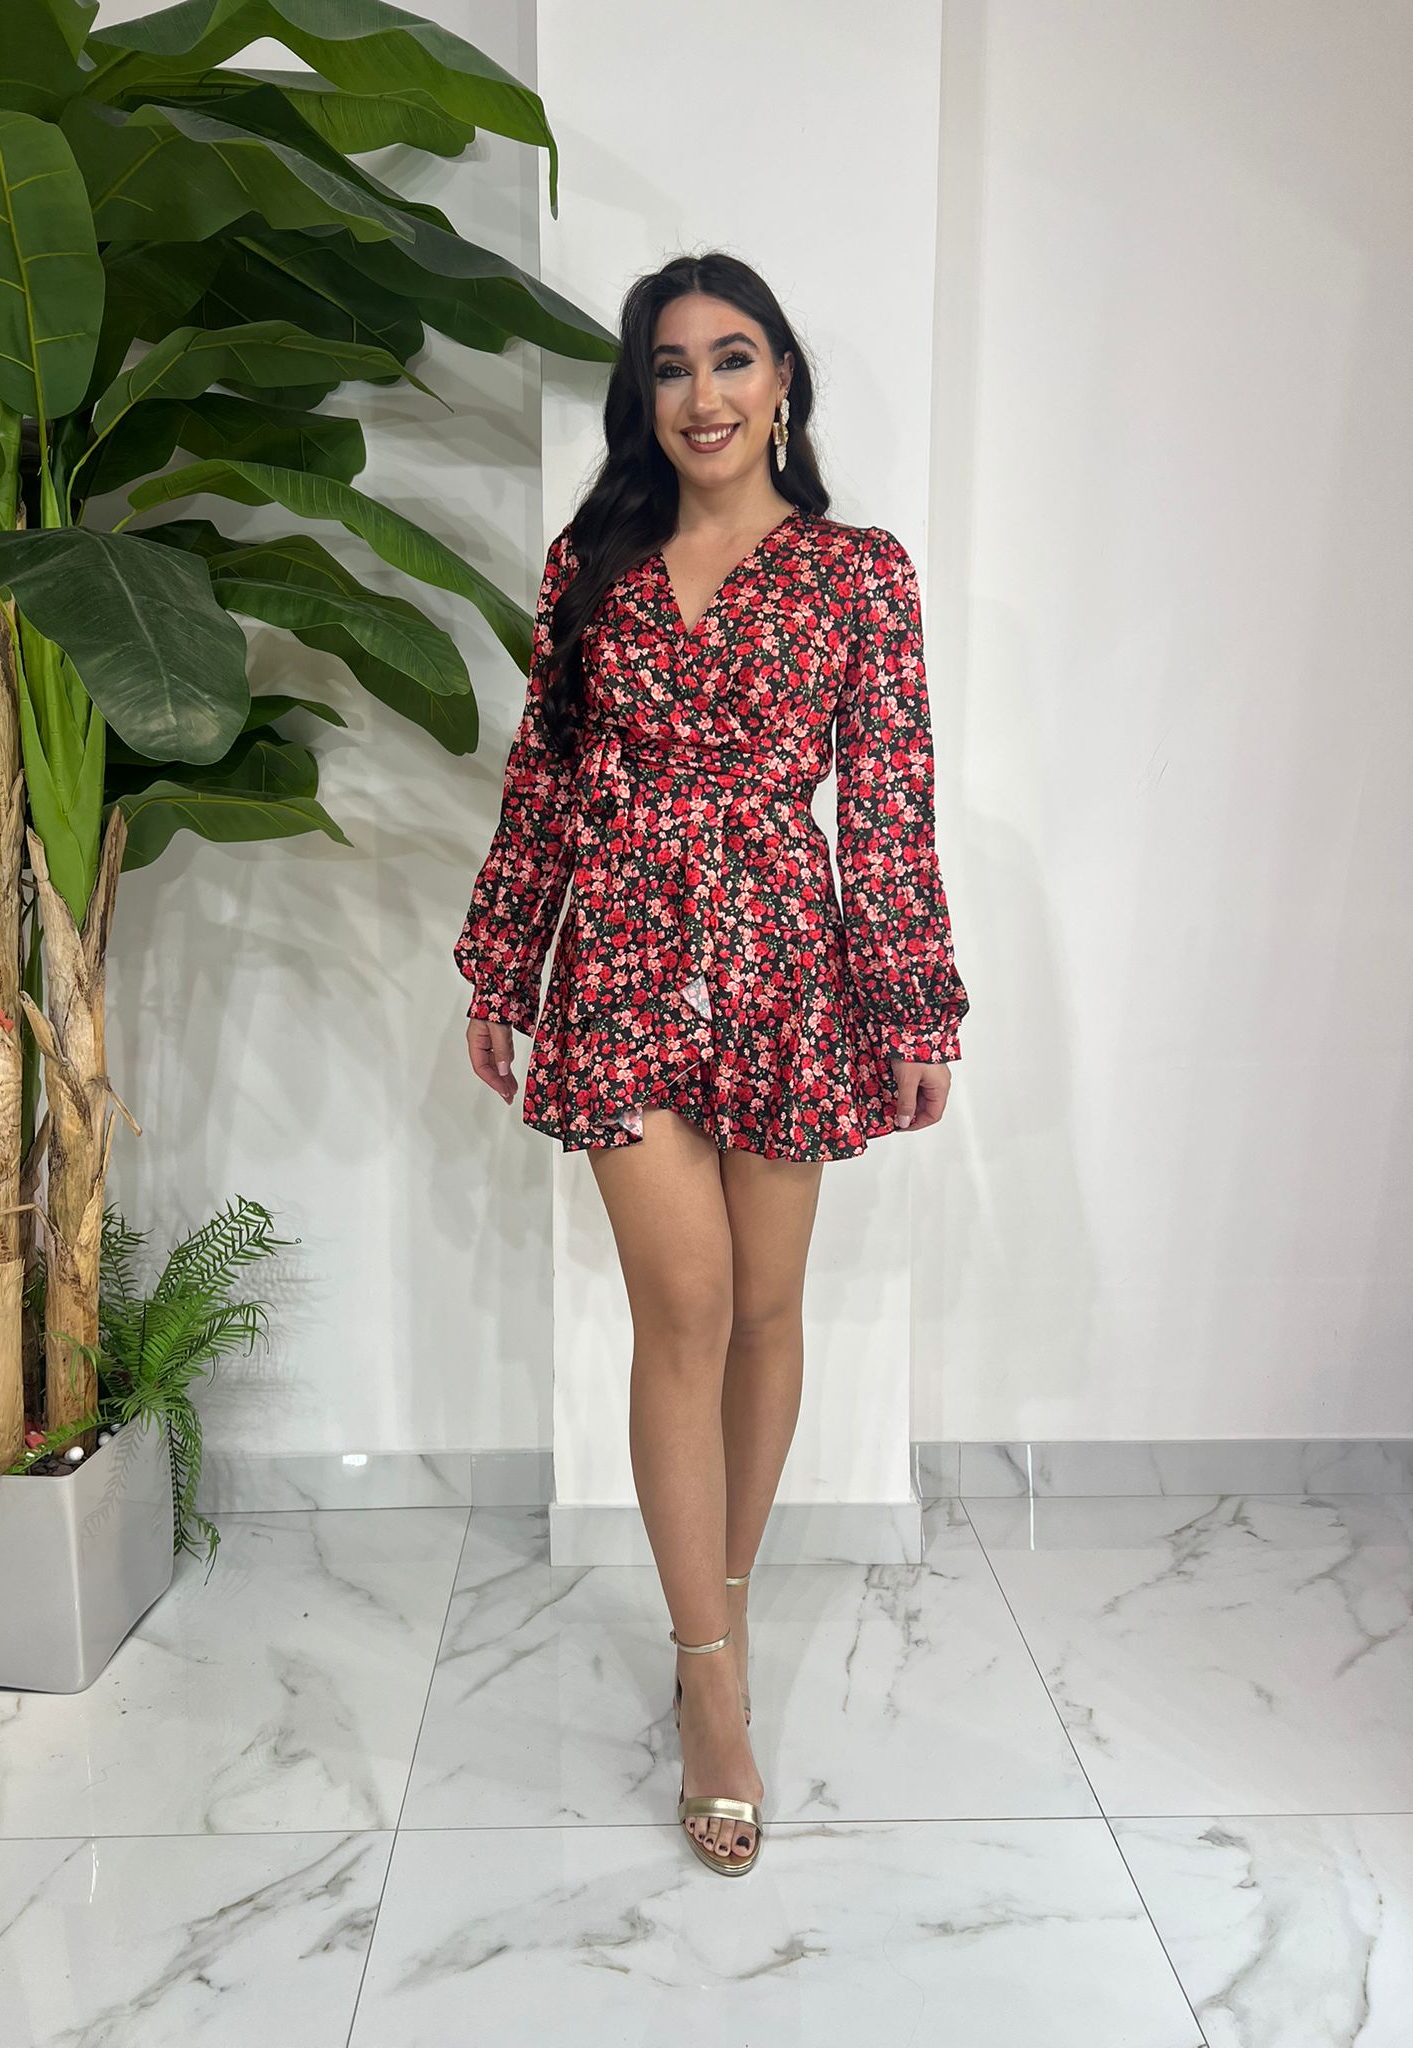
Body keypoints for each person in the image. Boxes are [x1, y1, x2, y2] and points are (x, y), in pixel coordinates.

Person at [453, 252, 970, 1875]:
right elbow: (545, 779)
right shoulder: (590, 565)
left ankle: (715, 1611)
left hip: (783, 967)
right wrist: (503, 962)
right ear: (643, 395)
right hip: (618, 956)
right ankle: (715, 1689)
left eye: (733, 358)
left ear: (783, 379)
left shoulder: (858, 575)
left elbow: (888, 802)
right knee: (681, 1308)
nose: (704, 394)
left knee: (763, 1312)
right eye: (670, 367)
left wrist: (913, 1007)